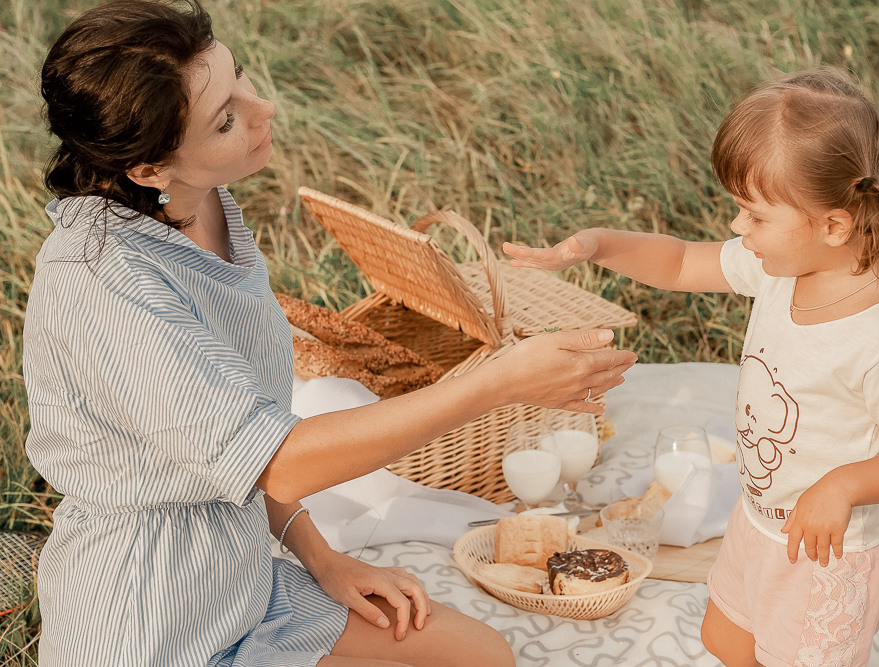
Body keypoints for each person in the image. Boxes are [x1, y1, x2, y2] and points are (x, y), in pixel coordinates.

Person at [23, 1, 638, 665]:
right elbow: (275, 456)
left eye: (242, 78)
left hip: (243, 585)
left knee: (483, 655)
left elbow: (230, 438)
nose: (264, 112)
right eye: (227, 119)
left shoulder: (202, 203)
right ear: (148, 169)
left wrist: (320, 556)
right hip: (149, 622)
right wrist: (494, 385)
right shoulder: (106, 286)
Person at [504, 68, 879, 667]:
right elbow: (684, 263)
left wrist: (841, 486)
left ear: (834, 225)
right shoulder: (780, 265)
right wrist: (596, 245)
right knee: (726, 639)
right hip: (759, 523)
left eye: (756, 215)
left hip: (829, 554)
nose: (739, 229)